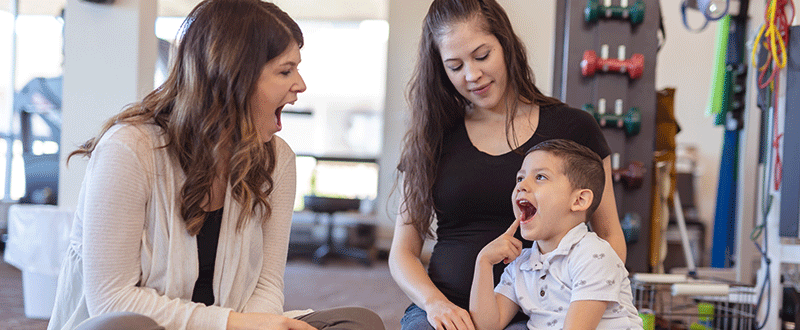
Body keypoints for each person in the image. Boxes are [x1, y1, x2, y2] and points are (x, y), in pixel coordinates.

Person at [47, 1, 385, 329]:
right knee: (125, 325)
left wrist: (253, 326)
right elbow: (112, 300)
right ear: (232, 77)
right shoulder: (129, 148)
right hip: (153, 326)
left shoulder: (278, 159)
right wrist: (233, 325)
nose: (300, 84)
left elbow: (266, 286)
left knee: (359, 323)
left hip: (235, 326)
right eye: (285, 71)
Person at [388, 0, 626, 329]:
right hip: (448, 306)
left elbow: (609, 234)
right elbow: (402, 252)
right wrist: (434, 304)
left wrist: (585, 306)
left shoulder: (574, 127)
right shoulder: (432, 137)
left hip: (543, 313)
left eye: (482, 56)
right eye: (455, 66)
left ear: (506, 45)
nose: (472, 75)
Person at [469, 139, 643, 330]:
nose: (521, 186)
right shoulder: (521, 265)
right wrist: (483, 262)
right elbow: (487, 326)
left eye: (540, 177)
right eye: (520, 178)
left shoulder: (594, 256)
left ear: (579, 200)